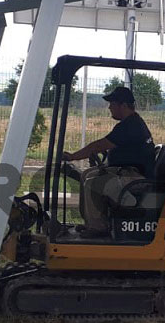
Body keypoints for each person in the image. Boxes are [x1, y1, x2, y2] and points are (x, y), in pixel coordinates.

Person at [62, 85, 155, 235]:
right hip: (127, 172)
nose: (109, 108)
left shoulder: (130, 125)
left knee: (93, 182)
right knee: (87, 175)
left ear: (123, 105)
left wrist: (72, 156)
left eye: (112, 104)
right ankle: (92, 222)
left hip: (136, 179)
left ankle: (99, 227)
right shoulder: (131, 123)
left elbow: (99, 145)